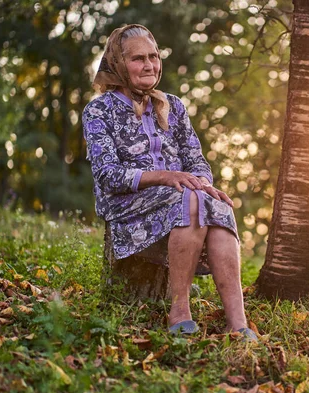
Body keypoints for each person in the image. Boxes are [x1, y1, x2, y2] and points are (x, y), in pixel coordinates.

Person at [82, 24, 256, 341]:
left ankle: (239, 323)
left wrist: (202, 183)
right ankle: (180, 310)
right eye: (138, 59)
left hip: (179, 199)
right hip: (127, 206)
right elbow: (108, 176)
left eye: (153, 56)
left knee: (213, 201)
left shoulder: (172, 105)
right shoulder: (99, 110)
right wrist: (167, 177)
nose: (149, 65)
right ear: (118, 63)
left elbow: (196, 159)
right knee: (190, 198)